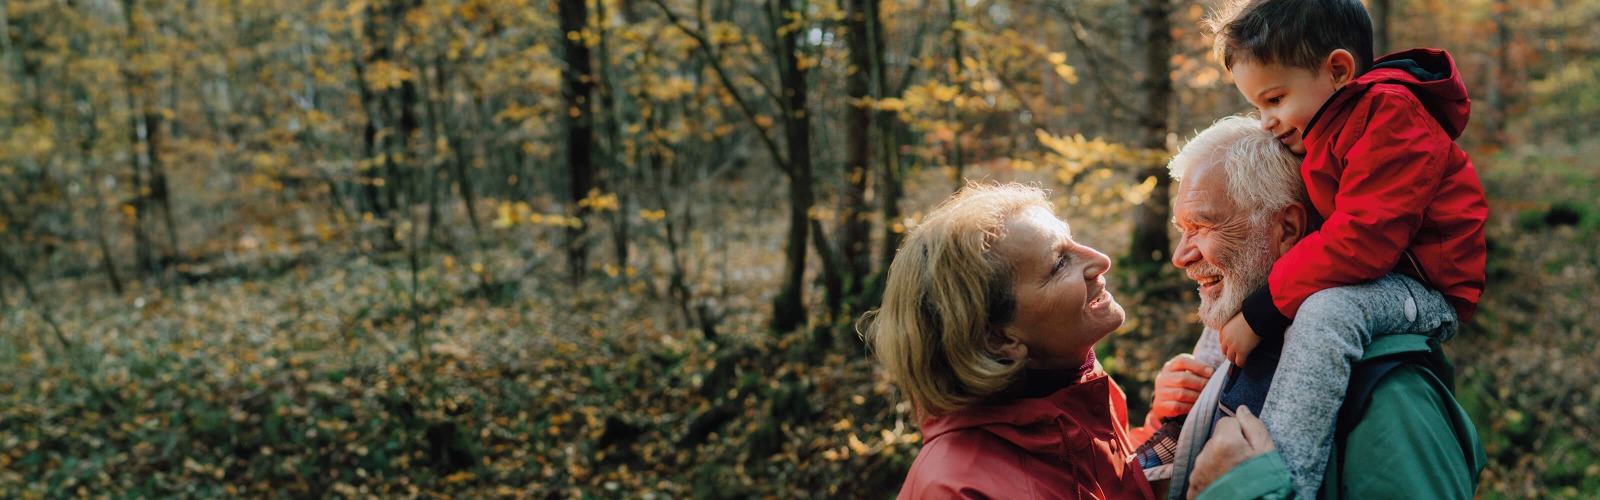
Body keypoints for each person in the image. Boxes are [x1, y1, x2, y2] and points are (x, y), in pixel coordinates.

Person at [1201, 0, 1489, 493]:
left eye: (1274, 99)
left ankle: (1288, 477)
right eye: (1256, 107)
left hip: (1424, 290)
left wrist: (1264, 311)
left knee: (1327, 311)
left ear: (1337, 70)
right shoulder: (1328, 130)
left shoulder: (1391, 115)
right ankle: (1191, 408)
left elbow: (1364, 239)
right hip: (1381, 276)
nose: (1267, 120)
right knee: (1240, 280)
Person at [1163, 116, 1484, 498]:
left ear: (1287, 229)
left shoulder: (1389, 396)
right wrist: (1174, 416)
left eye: (1201, 226)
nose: (1180, 256)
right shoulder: (1241, 345)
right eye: (1182, 229)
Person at [864, 182, 1190, 498]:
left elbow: (1109, 487)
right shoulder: (955, 490)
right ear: (999, 339)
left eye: (1072, 240)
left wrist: (1164, 424)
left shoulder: (1072, 392)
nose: (1101, 259)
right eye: (1059, 262)